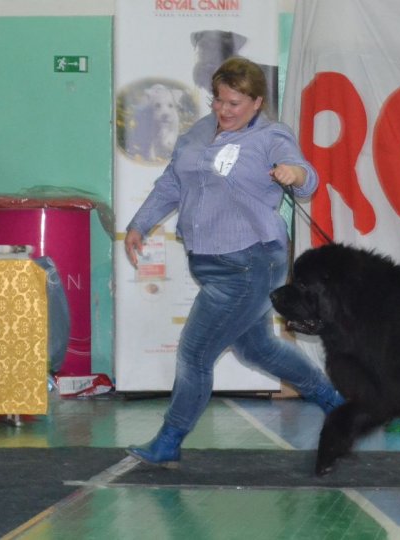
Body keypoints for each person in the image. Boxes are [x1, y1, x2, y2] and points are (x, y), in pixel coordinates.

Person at [123, 57, 343, 468]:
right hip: (210, 263)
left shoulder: (272, 136)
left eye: (235, 104)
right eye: (219, 100)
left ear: (257, 102)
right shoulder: (199, 133)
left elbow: (307, 174)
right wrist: (140, 223)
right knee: (257, 348)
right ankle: (335, 402)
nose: (224, 111)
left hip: (250, 264)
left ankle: (170, 439)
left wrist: (295, 174)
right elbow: (172, 182)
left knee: (194, 354)